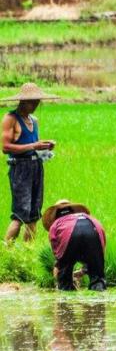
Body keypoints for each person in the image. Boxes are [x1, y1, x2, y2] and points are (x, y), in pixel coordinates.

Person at [1, 83, 57, 242]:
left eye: (38, 102)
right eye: (32, 102)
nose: (35, 105)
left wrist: (44, 145)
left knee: (34, 215)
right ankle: (6, 252)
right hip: (20, 168)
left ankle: (28, 252)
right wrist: (33, 145)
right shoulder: (10, 119)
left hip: (36, 166)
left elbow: (34, 143)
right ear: (23, 101)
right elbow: (5, 147)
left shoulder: (34, 120)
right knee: (19, 214)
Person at [42, 200, 107, 291]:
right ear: (72, 210)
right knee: (97, 280)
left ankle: (65, 299)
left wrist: (60, 276)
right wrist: (85, 269)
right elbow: (100, 252)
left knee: (65, 284)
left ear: (55, 215)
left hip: (70, 237)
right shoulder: (90, 218)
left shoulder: (56, 224)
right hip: (94, 230)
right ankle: (99, 299)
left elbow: (59, 257)